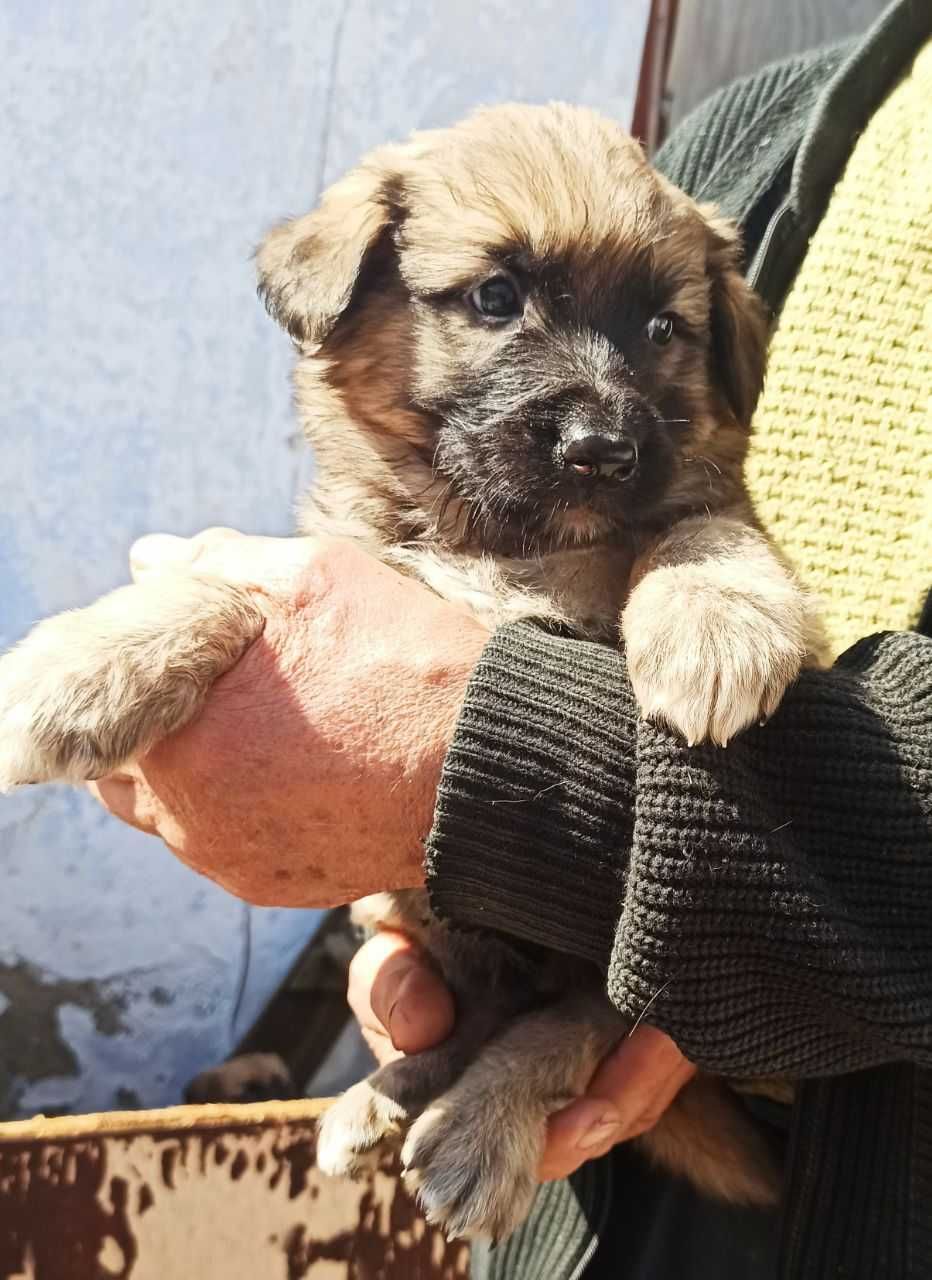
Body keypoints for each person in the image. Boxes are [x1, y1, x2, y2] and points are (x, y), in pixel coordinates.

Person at [92, 1, 931, 1276]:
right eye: (494, 298)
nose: (601, 415)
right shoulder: (764, 125)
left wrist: (469, 764)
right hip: (592, 1213)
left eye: (661, 334)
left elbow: (710, 499)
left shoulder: (686, 411)